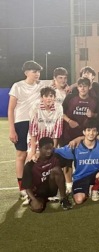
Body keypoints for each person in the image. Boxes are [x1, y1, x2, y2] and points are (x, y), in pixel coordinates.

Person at [8, 60, 51, 200]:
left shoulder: (42, 84)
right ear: (26, 73)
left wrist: (71, 86)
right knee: (21, 155)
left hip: (37, 122)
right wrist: (11, 129)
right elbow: (11, 109)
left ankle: (33, 184)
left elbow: (58, 81)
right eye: (34, 71)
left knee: (34, 155)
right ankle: (22, 188)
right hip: (21, 123)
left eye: (38, 71)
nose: (37, 74)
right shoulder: (17, 86)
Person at [54, 119, 99, 204]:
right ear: (84, 132)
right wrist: (38, 153)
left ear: (97, 132)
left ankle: (95, 189)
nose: (91, 133)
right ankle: (85, 190)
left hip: (95, 176)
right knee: (79, 200)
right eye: (88, 130)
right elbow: (57, 150)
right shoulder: (75, 146)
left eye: (94, 130)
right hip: (80, 177)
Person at [61, 77, 97, 193]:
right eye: (80, 86)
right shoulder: (70, 98)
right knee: (67, 159)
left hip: (84, 135)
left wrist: (93, 115)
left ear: (89, 87)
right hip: (68, 134)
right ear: (77, 87)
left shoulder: (94, 100)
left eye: (85, 86)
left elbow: (98, 115)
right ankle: (68, 185)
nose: (82, 88)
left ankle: (81, 182)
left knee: (81, 160)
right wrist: (69, 121)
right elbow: (60, 112)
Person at [22, 137, 72, 212]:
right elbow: (27, 187)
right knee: (38, 208)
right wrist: (34, 199)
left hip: (52, 189)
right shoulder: (30, 165)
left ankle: (63, 198)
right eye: (46, 149)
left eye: (51, 148)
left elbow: (68, 160)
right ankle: (40, 200)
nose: (49, 151)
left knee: (57, 170)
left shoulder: (56, 157)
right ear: (40, 148)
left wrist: (68, 183)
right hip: (38, 193)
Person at [28, 87, 63, 161]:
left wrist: (53, 150)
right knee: (32, 162)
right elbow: (33, 131)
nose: (49, 98)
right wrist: (33, 151)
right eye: (46, 96)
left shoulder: (59, 108)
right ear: (41, 98)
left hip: (50, 143)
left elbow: (56, 133)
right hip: (36, 142)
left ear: (55, 98)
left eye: (51, 96)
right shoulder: (36, 107)